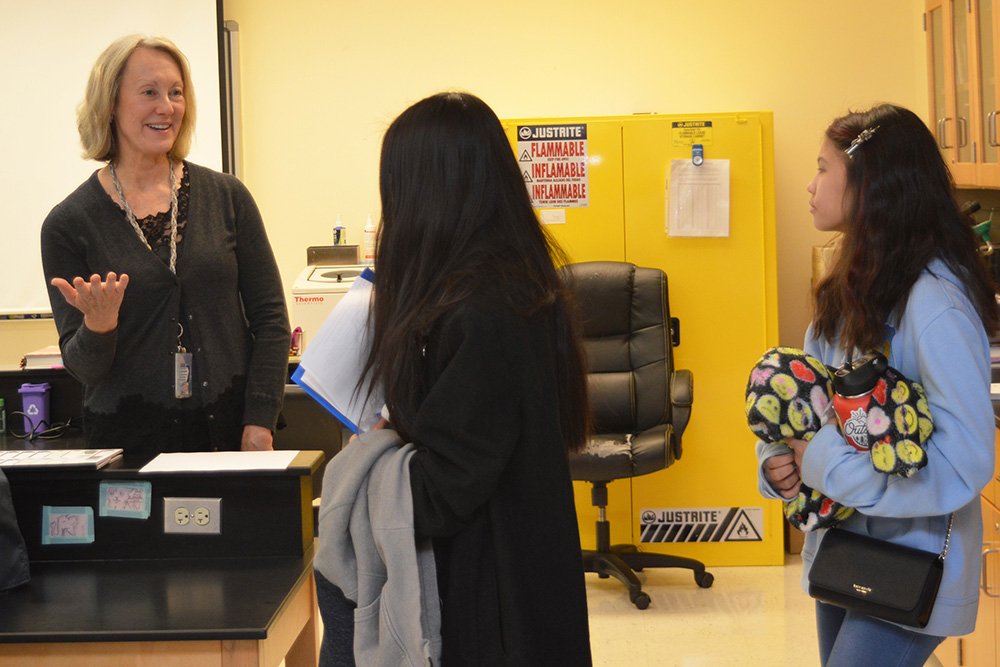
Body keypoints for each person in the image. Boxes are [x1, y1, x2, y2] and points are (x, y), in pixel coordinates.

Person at [315, 91, 593, 665]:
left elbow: (443, 491)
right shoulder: (509, 287)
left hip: (490, 591)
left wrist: (360, 471)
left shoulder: (486, 311)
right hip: (514, 567)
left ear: (427, 193)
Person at [757, 103, 999, 666]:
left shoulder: (935, 304)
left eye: (823, 168)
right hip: (844, 545)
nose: (810, 185)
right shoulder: (847, 290)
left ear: (869, 187)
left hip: (913, 566)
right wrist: (776, 462)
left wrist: (824, 464)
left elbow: (965, 461)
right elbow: (811, 408)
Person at [40, 35, 290, 464]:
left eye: (176, 92)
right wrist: (99, 325)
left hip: (230, 436)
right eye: (149, 93)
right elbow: (83, 368)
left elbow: (271, 321)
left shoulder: (228, 197)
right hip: (128, 449)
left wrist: (260, 420)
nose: (167, 107)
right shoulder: (69, 224)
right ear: (110, 105)